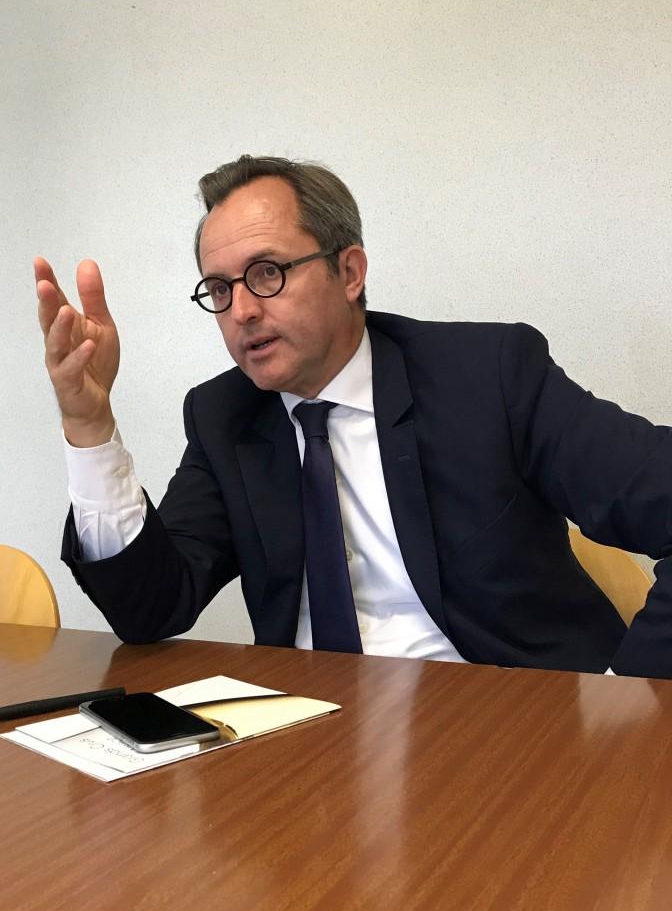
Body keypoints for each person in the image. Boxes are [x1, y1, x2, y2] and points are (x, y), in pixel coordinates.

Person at [35, 154, 672, 675]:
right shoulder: (224, 415)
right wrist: (90, 427)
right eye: (221, 289)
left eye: (266, 273)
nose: (242, 311)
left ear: (349, 272)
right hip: (313, 737)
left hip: (506, 726)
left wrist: (627, 700)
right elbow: (151, 609)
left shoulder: (488, 376)